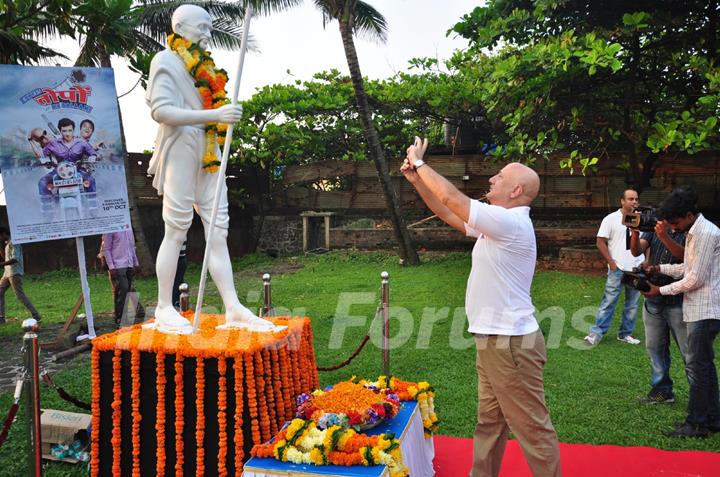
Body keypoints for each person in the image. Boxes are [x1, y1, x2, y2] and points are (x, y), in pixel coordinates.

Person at [401, 137, 560, 477]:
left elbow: (451, 197)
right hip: (493, 341)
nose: (491, 179)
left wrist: (422, 163)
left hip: (510, 344)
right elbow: (445, 210)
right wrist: (417, 180)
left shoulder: (510, 223)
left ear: (516, 190)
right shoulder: (498, 223)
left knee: (531, 427)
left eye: (499, 176)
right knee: (490, 421)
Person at [145, 4, 278, 334]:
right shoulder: (166, 61)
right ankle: (164, 306)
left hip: (209, 150)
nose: (208, 34)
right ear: (181, 27)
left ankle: (232, 306)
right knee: (176, 228)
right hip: (180, 148)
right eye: (202, 27)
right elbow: (162, 112)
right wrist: (214, 117)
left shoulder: (204, 67)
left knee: (218, 228)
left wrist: (220, 116)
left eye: (209, 27)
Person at [643, 187, 720, 438]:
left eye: (675, 222)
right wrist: (660, 266)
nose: (673, 228)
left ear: (688, 215)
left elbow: (694, 279)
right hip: (699, 308)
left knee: (697, 368)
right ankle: (712, 418)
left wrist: (660, 290)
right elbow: (688, 266)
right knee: (704, 366)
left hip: (704, 308)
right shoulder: (694, 231)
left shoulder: (706, 233)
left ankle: (696, 424)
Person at [629, 219, 687, 404]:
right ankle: (662, 391)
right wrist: (636, 232)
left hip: (678, 299)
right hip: (654, 298)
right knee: (655, 347)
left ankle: (701, 397)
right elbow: (636, 250)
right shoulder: (654, 229)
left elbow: (688, 258)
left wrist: (664, 236)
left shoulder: (688, 232)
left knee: (690, 352)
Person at [584, 189, 644, 346]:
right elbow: (600, 241)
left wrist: (646, 261)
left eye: (636, 199)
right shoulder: (611, 219)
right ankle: (596, 333)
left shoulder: (642, 220)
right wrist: (611, 262)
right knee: (609, 301)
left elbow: (647, 243)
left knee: (632, 304)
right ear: (622, 201)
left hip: (636, 268)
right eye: (630, 199)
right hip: (618, 267)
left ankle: (625, 334)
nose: (634, 202)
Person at [38, 117, 97, 197]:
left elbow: (92, 153)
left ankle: (92, 205)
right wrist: (44, 161)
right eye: (64, 131)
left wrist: (92, 157)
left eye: (70, 130)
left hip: (77, 171)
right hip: (59, 171)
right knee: (42, 182)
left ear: (73, 130)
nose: (67, 133)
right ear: (60, 131)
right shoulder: (53, 143)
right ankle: (48, 207)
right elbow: (42, 155)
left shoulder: (81, 142)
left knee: (91, 180)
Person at [103, 229, 145, 327]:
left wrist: (136, 263)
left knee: (128, 289)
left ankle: (127, 315)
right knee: (123, 289)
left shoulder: (128, 228)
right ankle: (119, 317)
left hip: (129, 264)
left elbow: (131, 247)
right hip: (118, 265)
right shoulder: (110, 228)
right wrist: (111, 267)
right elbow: (106, 249)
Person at [0, 227, 41, 324]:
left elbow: (15, 259)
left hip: (15, 272)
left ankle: (36, 315)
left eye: (0, 236)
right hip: (7, 272)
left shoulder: (15, 242)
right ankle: (1, 317)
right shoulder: (7, 244)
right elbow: (5, 258)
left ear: (4, 234)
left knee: (20, 295)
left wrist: (1, 264)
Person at [172, 240, 187, 309]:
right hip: (178, 259)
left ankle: (176, 301)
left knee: (178, 281)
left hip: (180, 258)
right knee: (178, 281)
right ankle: (176, 301)